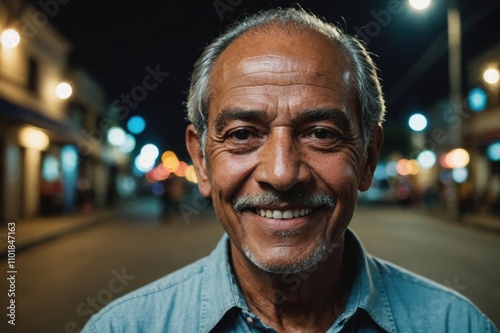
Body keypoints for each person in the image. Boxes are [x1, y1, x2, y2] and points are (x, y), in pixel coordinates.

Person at [81, 7, 498, 332]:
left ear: (369, 157)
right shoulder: (122, 327)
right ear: (202, 161)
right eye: (243, 134)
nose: (282, 174)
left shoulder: (458, 325)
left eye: (320, 133)